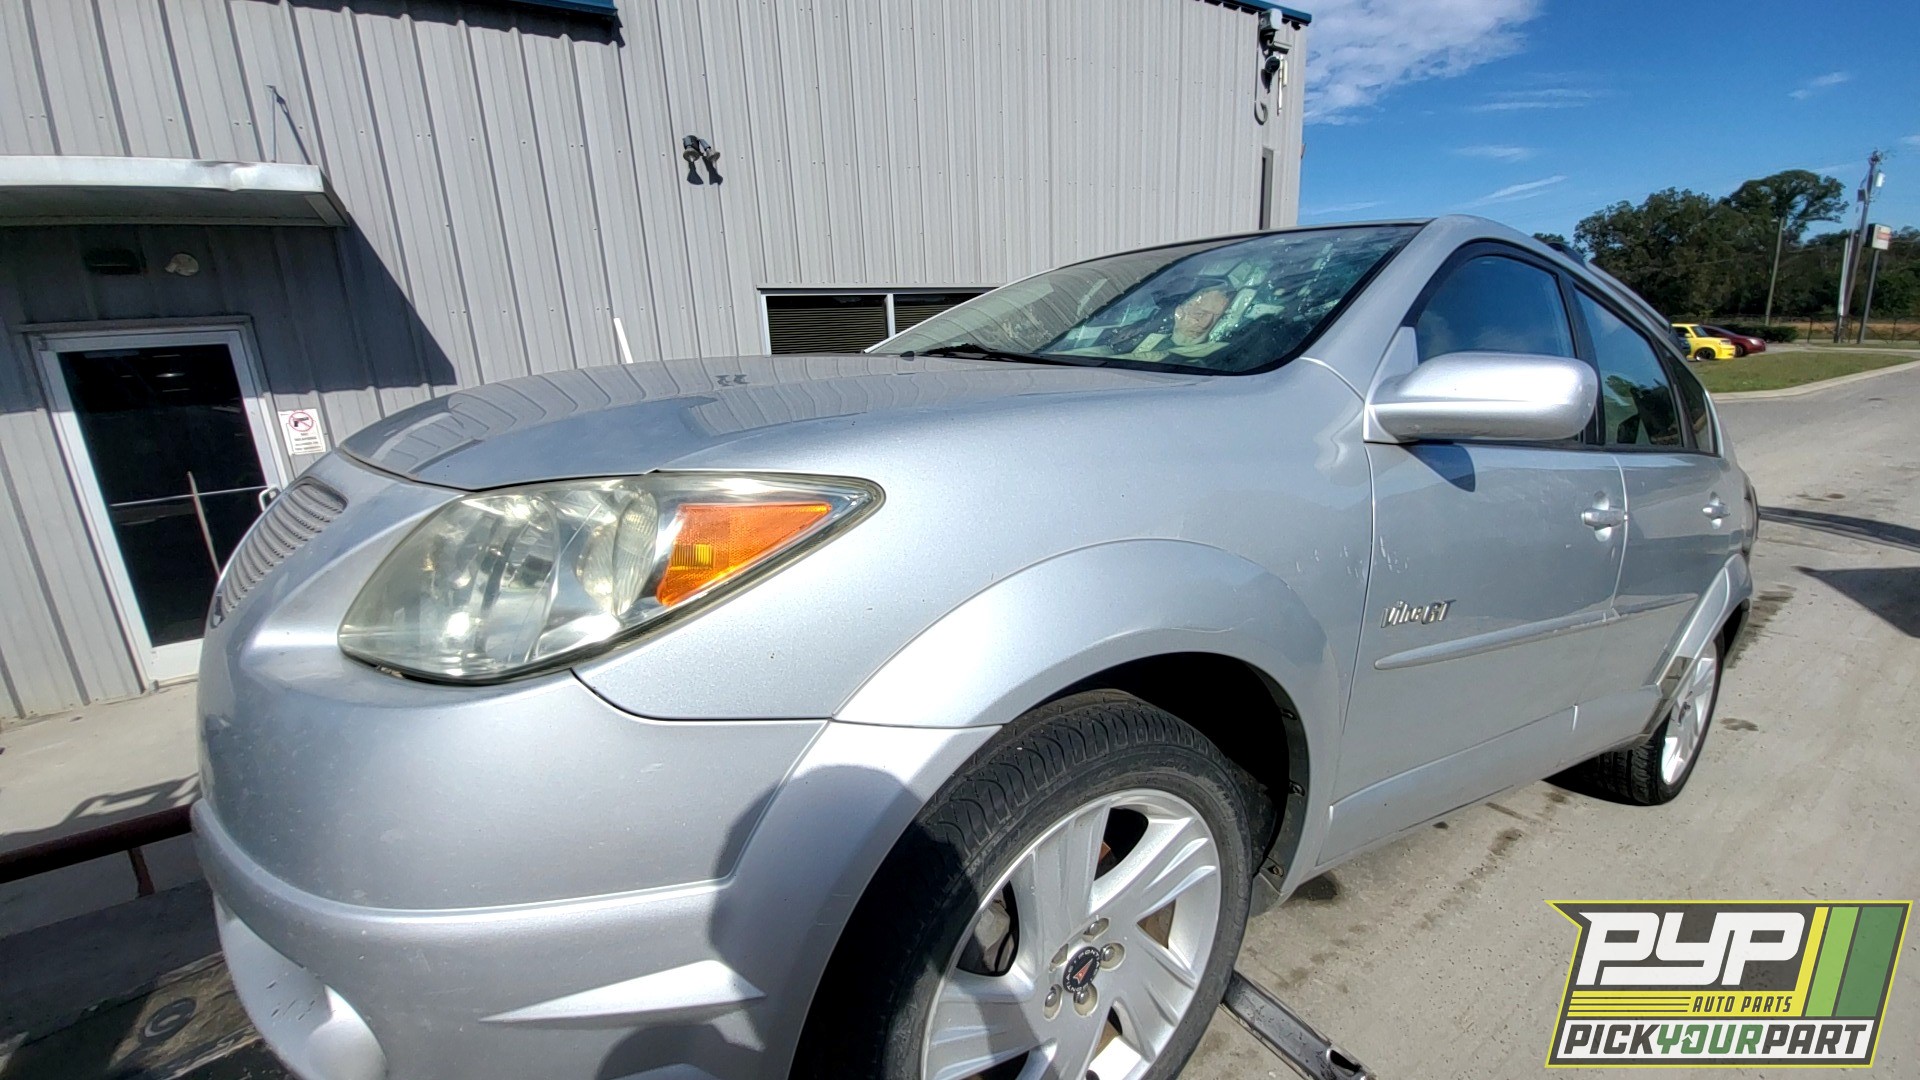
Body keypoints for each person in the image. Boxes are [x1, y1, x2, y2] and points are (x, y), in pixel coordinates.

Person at [1126, 284, 1234, 360]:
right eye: (1199, 314)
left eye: (1216, 317)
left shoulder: (1219, 352)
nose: (1206, 324)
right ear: (1179, 312)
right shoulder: (1147, 338)